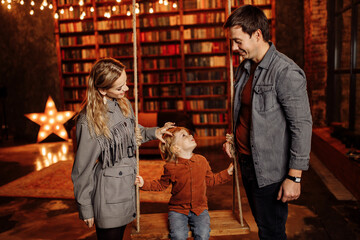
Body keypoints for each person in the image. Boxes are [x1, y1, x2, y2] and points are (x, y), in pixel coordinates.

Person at [223, 5, 313, 240]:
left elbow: (301, 126)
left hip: (270, 170)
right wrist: (231, 136)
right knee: (264, 226)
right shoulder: (244, 68)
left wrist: (294, 177)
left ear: (257, 35)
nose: (234, 48)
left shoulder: (286, 72)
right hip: (246, 162)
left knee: (271, 233)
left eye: (238, 41)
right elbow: (242, 110)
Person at [71, 58, 174, 240]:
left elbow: (133, 131)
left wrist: (155, 132)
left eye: (125, 83)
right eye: (119, 87)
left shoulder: (123, 104)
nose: (126, 90)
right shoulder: (88, 120)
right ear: (102, 89)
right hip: (109, 192)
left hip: (126, 186)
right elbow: (82, 169)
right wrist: (85, 208)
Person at [135, 127, 234, 240]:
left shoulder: (201, 160)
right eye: (183, 135)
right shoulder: (171, 167)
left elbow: (211, 180)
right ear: (176, 148)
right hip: (178, 210)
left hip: (199, 209)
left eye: (188, 134)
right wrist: (144, 184)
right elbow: (161, 184)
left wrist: (227, 173)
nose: (190, 135)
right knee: (178, 235)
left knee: (203, 234)